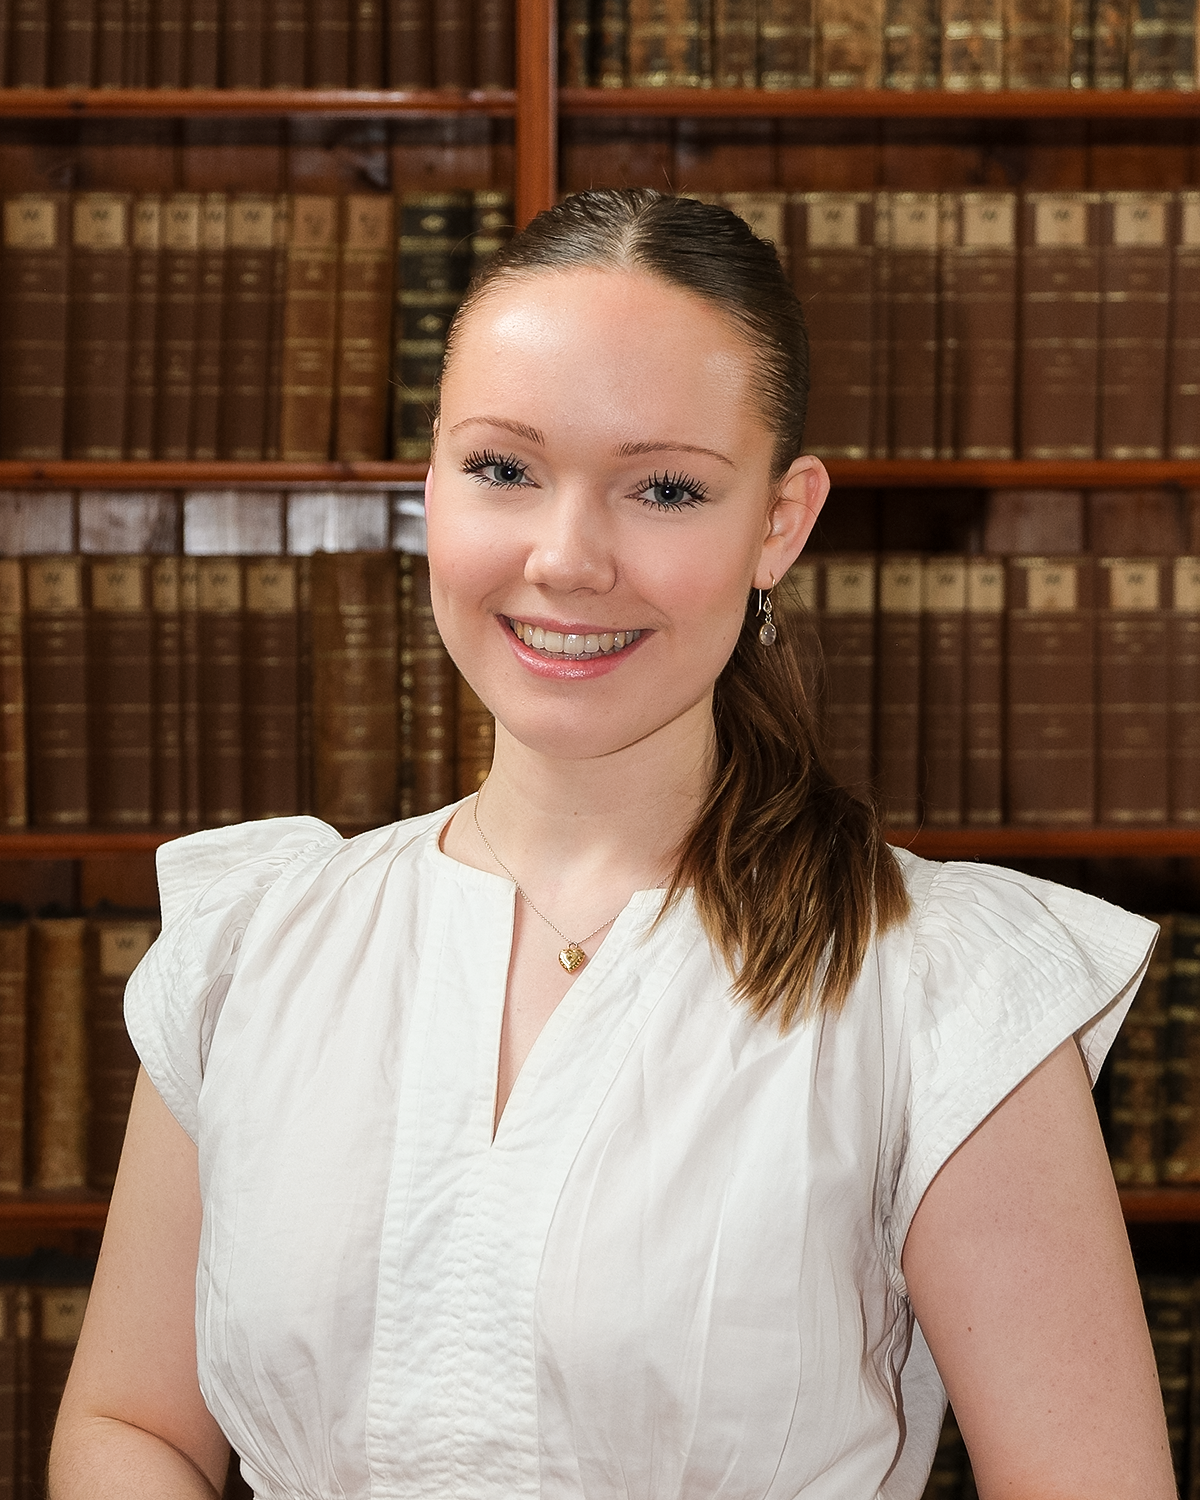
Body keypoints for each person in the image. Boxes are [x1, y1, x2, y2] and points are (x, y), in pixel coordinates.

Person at [50, 187, 1173, 1500]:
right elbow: (129, 1425)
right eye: (504, 469)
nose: (568, 558)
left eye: (666, 488)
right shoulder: (253, 946)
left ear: (781, 522)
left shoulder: (939, 986)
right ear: (431, 484)